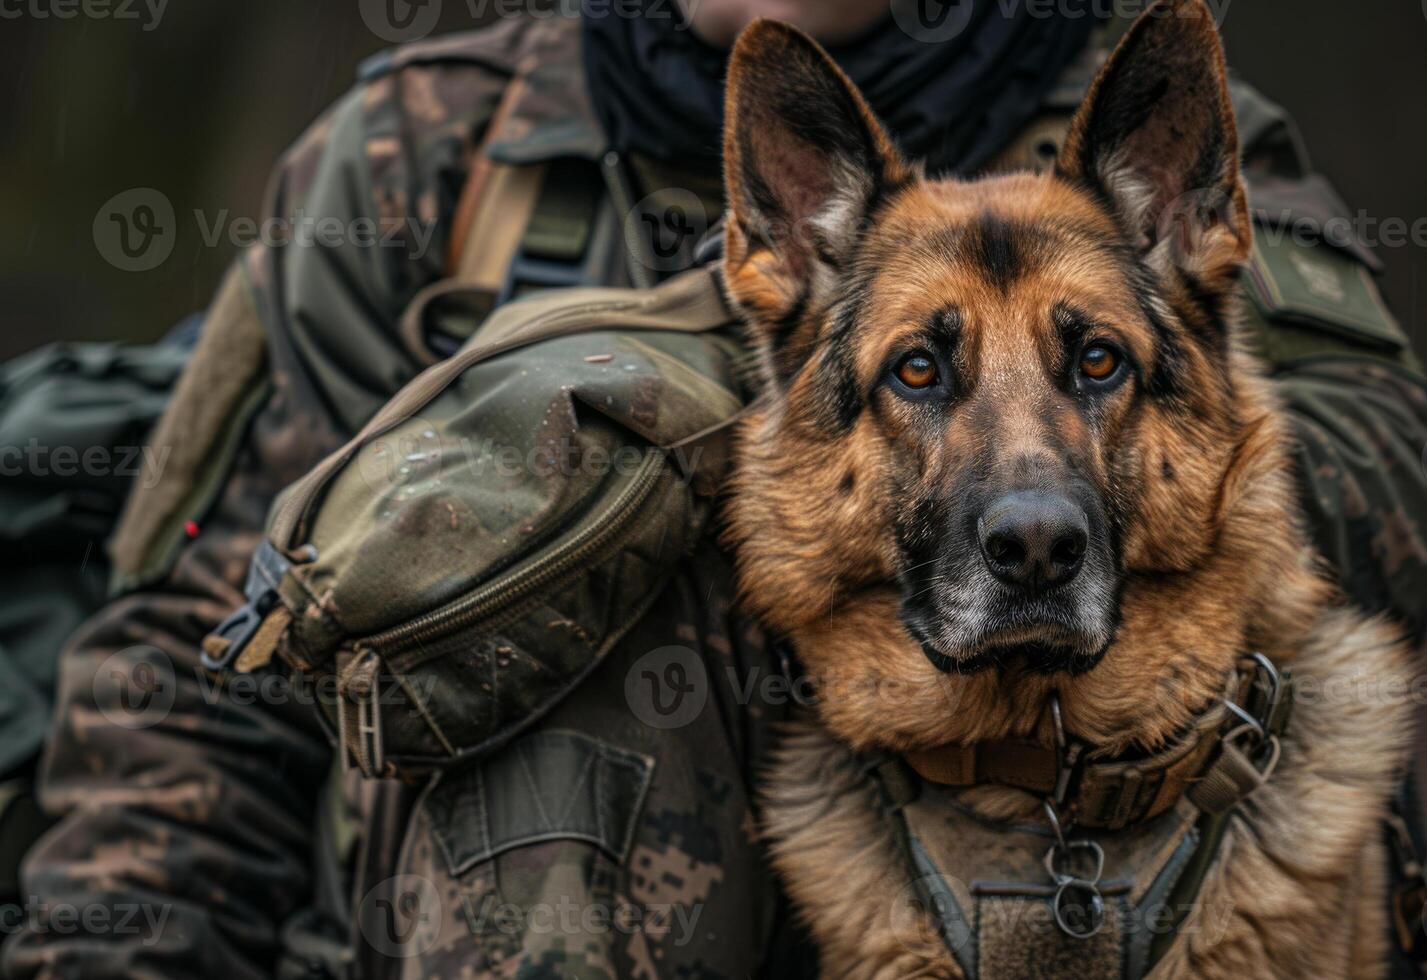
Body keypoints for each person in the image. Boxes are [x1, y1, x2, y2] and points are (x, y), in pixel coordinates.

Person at [4, 1, 1425, 977]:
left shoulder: (1142, 138)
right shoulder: (423, 155)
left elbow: (1379, 469)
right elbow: (210, 656)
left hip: (1065, 847)